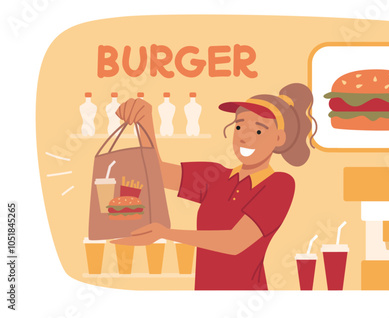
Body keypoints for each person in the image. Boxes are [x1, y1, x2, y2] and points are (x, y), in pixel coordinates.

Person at [111, 83, 316, 290]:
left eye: (258, 129)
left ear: (279, 138)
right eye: (238, 126)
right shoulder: (215, 177)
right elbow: (157, 175)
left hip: (246, 299)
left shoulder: (279, 185)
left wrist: (166, 233)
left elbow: (235, 242)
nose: (244, 136)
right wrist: (145, 121)